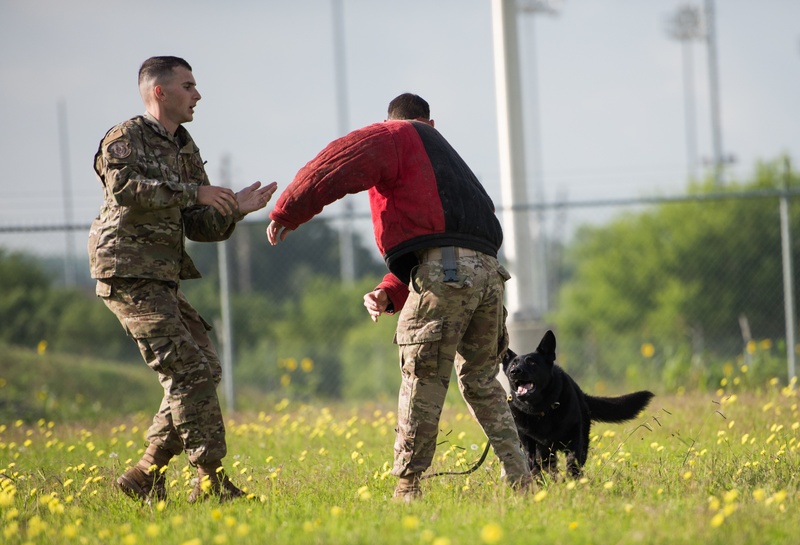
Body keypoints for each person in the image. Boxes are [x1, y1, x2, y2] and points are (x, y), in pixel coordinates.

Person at [266, 92, 532, 501]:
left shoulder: (395, 136)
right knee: (481, 380)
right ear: (432, 123)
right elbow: (440, 243)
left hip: (446, 273)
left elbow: (339, 161)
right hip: (490, 275)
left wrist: (289, 209)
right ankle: (520, 478)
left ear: (395, 121)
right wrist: (391, 292)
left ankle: (408, 488)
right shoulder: (451, 161)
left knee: (422, 377)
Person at [89, 56, 277, 503]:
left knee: (205, 367)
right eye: (188, 86)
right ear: (160, 91)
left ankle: (146, 472)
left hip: (162, 277)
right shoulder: (125, 137)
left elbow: (198, 224)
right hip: (127, 271)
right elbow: (124, 190)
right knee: (188, 369)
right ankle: (210, 481)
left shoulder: (185, 147)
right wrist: (195, 193)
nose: (197, 95)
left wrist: (233, 210)